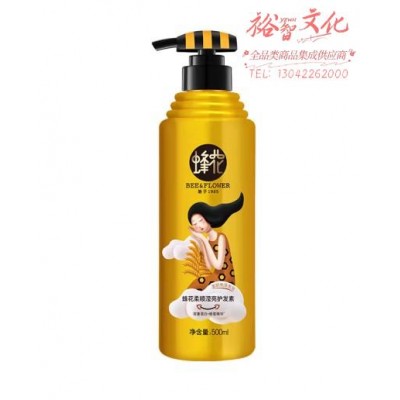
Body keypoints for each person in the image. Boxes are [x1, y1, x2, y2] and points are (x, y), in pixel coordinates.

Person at [187, 193, 244, 290]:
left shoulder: (221, 237)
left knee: (197, 284)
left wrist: (204, 240)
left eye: (200, 220)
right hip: (215, 277)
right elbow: (209, 267)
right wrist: (203, 242)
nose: (199, 226)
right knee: (195, 285)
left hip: (226, 278)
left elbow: (218, 265)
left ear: (208, 217)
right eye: (195, 224)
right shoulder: (206, 240)